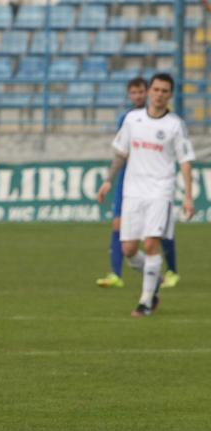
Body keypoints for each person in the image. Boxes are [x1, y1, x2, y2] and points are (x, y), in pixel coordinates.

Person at [97, 73, 195, 317]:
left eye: (164, 91)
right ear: (150, 91)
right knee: (129, 250)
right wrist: (108, 180)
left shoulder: (175, 125)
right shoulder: (132, 119)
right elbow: (121, 153)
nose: (159, 95)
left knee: (151, 243)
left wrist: (188, 196)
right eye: (156, 90)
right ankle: (155, 282)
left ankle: (146, 301)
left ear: (170, 95)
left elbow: (185, 162)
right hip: (133, 191)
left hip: (160, 191)